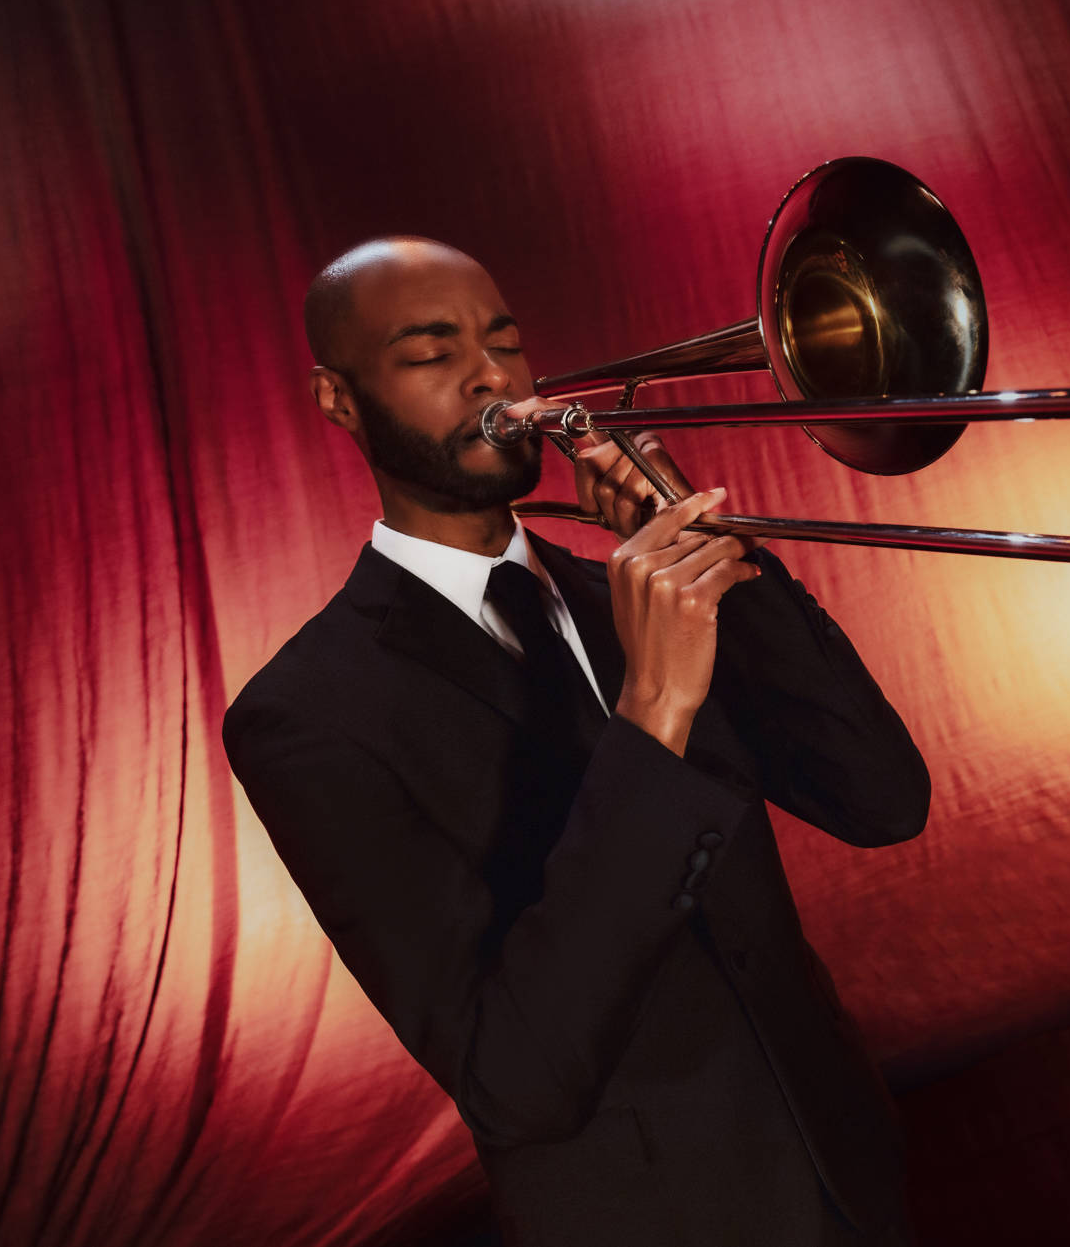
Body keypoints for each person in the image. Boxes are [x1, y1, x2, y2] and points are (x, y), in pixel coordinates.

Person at [222, 236, 929, 1246]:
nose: (492, 379)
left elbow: (884, 799)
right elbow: (517, 1082)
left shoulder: (637, 594)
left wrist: (720, 558)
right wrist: (652, 715)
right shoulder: (306, 715)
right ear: (338, 398)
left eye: (506, 343)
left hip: (853, 1176)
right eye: (431, 354)